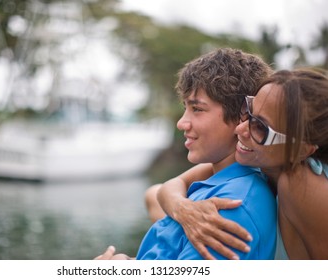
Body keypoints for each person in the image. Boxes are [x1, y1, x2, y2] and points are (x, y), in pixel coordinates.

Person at [95, 47, 276, 260]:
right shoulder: (217, 178)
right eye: (185, 108)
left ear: (242, 117)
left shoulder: (232, 207)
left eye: (197, 109)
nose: (181, 122)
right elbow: (156, 195)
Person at [146, 68, 328, 260]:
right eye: (247, 112)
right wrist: (185, 210)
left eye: (260, 127)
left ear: (301, 150)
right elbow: (164, 189)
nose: (240, 129)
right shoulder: (256, 162)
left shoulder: (302, 184)